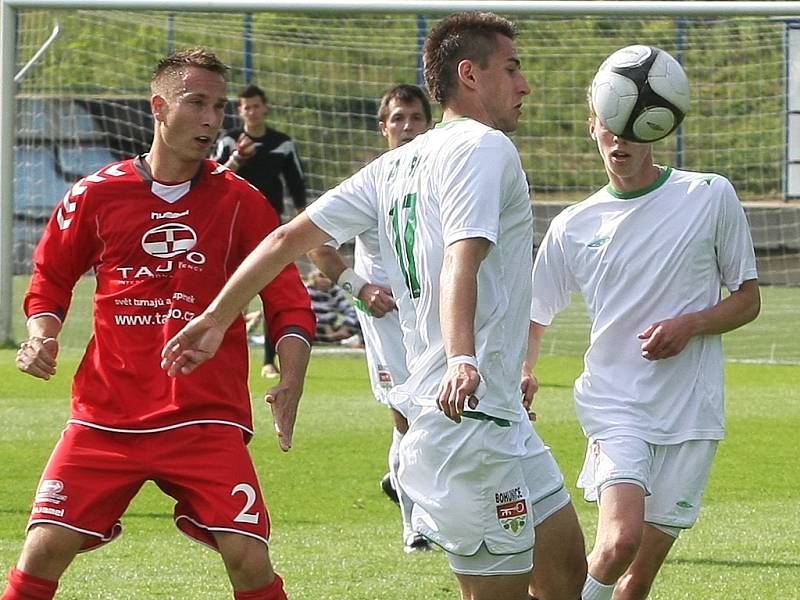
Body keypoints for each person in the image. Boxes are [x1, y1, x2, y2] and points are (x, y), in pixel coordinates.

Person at [161, 13, 586, 600]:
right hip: (464, 415)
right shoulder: (485, 149)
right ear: (470, 74)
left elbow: (288, 239)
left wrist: (215, 315)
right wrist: (463, 357)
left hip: (498, 414)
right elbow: (460, 259)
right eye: (512, 69)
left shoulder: (394, 164)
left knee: (565, 571)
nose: (525, 84)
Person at [5, 48, 315, 600]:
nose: (210, 119)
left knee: (248, 557)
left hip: (204, 420)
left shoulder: (243, 203)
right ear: (158, 107)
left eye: (218, 107)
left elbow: (287, 300)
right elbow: (50, 275)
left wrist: (291, 378)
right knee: (42, 548)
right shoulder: (95, 195)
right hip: (106, 418)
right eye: (196, 103)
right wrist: (40, 335)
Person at [527, 69, 761, 600]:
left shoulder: (708, 194)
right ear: (593, 127)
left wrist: (692, 324)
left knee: (636, 583)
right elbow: (534, 314)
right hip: (617, 404)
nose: (620, 139)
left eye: (634, 129)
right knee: (617, 543)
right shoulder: (574, 224)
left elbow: (748, 299)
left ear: (658, 127)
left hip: (692, 409)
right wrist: (525, 368)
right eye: (611, 126)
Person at [306, 83, 434, 553]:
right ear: (384, 128)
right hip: (387, 320)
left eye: (415, 118)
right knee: (408, 416)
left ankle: (409, 483)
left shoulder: (443, 178)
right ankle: (414, 527)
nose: (406, 127)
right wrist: (360, 288)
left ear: (430, 125)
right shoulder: (370, 184)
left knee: (441, 414)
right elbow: (315, 243)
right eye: (397, 118)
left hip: (436, 318)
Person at [213, 83, 308, 378]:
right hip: (230, 228)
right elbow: (213, 178)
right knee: (228, 293)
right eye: (246, 107)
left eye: (256, 106)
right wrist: (238, 158)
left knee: (273, 294)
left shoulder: (282, 143)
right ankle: (224, 355)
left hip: (269, 232)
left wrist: (303, 227)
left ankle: (269, 360)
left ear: (264, 108)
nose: (252, 112)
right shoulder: (229, 141)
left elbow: (297, 188)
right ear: (240, 111)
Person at [305, 269, 361, 344]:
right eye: (321, 276)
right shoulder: (306, 291)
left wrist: (345, 326)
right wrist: (325, 326)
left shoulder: (335, 292)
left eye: (328, 276)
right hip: (314, 327)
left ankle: (333, 338)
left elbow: (350, 311)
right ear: (313, 277)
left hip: (332, 328)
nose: (325, 279)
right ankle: (332, 339)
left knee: (359, 319)